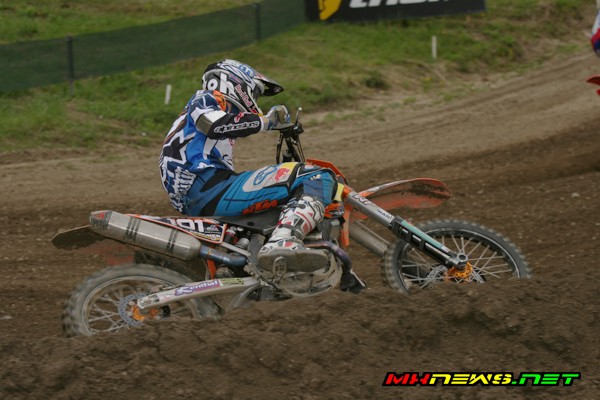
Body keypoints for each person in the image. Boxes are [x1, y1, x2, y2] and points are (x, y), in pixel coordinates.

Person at [159, 59, 365, 292]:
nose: (254, 99)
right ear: (234, 83)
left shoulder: (211, 113)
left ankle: (263, 251)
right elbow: (213, 125)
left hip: (205, 190)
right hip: (207, 187)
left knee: (283, 194)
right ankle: (282, 242)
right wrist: (267, 121)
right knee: (315, 176)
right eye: (254, 92)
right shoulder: (206, 98)